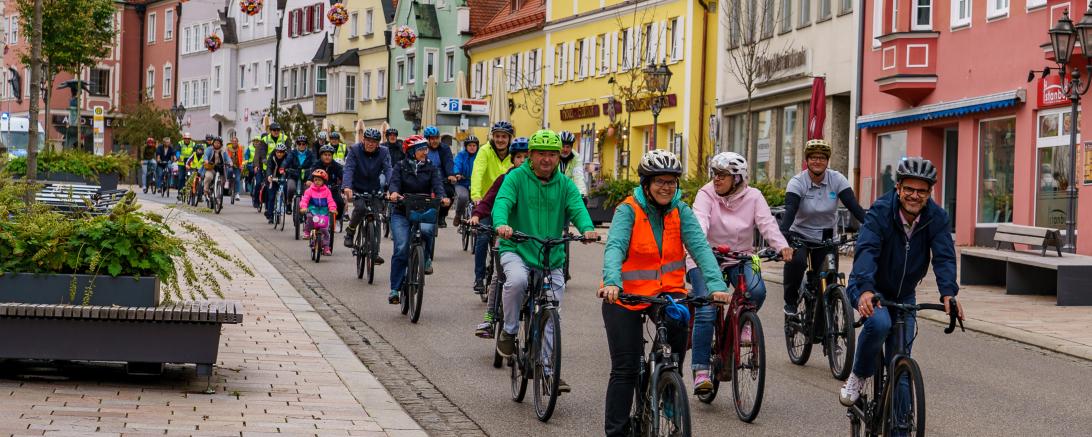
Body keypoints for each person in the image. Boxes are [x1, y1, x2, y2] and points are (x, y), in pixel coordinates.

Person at [597, 149, 729, 437]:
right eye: (660, 181)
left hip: (668, 293)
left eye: (672, 181)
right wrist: (611, 282)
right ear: (646, 184)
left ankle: (667, 384)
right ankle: (617, 432)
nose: (666, 187)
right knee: (626, 368)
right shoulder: (628, 210)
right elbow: (615, 247)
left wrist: (717, 286)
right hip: (624, 296)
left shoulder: (681, 211)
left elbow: (701, 249)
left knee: (678, 329)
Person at [839, 157, 964, 407]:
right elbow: (867, 250)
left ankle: (900, 427)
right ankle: (859, 375)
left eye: (921, 191)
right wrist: (864, 289)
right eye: (909, 189)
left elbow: (944, 257)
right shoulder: (880, 211)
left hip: (904, 294)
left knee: (900, 366)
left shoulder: (936, 218)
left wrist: (948, 293)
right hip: (869, 287)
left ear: (930, 193)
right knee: (879, 322)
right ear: (898, 188)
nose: (914, 196)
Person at [492, 129, 597, 393]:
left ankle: (548, 370)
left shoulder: (565, 184)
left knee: (553, 309)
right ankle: (509, 329)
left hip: (551, 256)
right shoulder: (516, 178)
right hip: (517, 248)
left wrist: (587, 229)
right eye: (541, 154)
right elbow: (502, 202)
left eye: (552, 154)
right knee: (515, 281)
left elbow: (577, 209)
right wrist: (502, 224)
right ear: (531, 155)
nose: (547, 159)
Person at [686, 152, 793, 393]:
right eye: (714, 174)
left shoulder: (753, 196)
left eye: (722, 175)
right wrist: (698, 245)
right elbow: (699, 221)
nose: (716, 179)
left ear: (737, 178)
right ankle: (701, 369)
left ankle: (742, 322)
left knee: (757, 290)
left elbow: (767, 224)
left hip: (743, 255)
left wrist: (782, 246)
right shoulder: (706, 194)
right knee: (706, 308)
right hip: (705, 256)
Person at [780, 139, 867, 315]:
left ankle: (826, 321)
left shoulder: (837, 179)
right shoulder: (797, 182)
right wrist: (782, 235)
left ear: (827, 161)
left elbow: (854, 207)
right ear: (807, 160)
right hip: (800, 234)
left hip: (827, 236)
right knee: (797, 263)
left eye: (821, 157)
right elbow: (790, 211)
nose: (817, 161)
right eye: (813, 157)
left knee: (829, 278)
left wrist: (872, 226)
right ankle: (790, 301)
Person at [469, 137, 530, 338]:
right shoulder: (505, 179)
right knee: (499, 274)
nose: (523, 161)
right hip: (507, 235)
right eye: (519, 157)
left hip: (532, 237)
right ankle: (490, 316)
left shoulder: (537, 181)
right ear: (513, 160)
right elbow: (489, 200)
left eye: (526, 157)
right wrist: (477, 215)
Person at [387, 136, 449, 304]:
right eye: (421, 149)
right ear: (412, 152)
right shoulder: (400, 167)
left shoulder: (431, 167)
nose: (425, 152)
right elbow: (394, 183)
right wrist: (393, 193)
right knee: (401, 247)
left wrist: (442, 197)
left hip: (423, 209)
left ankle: (426, 257)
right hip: (401, 211)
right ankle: (395, 289)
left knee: (428, 230)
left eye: (425, 149)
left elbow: (438, 185)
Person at [470, 121, 515, 292]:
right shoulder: (484, 151)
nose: (500, 140)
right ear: (492, 137)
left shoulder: (516, 153)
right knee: (482, 238)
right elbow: (478, 172)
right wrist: (476, 196)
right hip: (487, 201)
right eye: (497, 136)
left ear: (509, 138)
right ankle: (479, 278)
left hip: (508, 203)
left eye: (504, 136)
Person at [343, 128, 393, 259]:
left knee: (376, 219)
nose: (371, 144)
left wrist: (392, 189)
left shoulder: (384, 152)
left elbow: (388, 170)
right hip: (357, 187)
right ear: (363, 140)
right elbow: (349, 169)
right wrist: (347, 187)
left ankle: (375, 252)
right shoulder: (354, 150)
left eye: (374, 141)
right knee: (360, 208)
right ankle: (350, 231)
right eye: (368, 140)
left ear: (378, 143)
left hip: (374, 188)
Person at [421, 126, 456, 227]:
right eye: (432, 138)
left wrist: (450, 175)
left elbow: (449, 162)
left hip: (441, 178)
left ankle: (442, 215)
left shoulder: (444, 148)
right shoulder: (422, 149)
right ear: (427, 139)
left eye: (437, 138)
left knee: (449, 192)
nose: (435, 141)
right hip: (425, 177)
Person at [300, 169, 338, 256]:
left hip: (323, 213)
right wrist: (303, 207)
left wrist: (332, 208)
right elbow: (305, 200)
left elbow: (330, 201)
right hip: (312, 211)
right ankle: (307, 232)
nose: (317, 182)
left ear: (323, 181)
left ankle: (326, 247)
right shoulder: (309, 190)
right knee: (309, 218)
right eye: (315, 180)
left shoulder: (327, 191)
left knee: (325, 230)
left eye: (319, 180)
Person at [311, 144, 345, 222]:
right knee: (310, 203)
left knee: (340, 203)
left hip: (332, 189)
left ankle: (337, 220)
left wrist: (345, 185)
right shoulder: (317, 164)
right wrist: (309, 180)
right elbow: (311, 174)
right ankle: (311, 220)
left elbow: (343, 176)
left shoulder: (336, 165)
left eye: (329, 155)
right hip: (318, 189)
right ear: (321, 156)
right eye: (325, 155)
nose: (327, 157)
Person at [256, 124, 287, 207]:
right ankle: (267, 206)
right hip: (269, 166)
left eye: (278, 130)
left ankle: (284, 204)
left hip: (281, 166)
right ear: (270, 131)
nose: (276, 132)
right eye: (274, 130)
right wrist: (263, 159)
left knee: (284, 184)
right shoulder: (265, 139)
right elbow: (262, 151)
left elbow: (289, 151)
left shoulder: (284, 138)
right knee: (268, 188)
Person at [451, 135, 479, 227]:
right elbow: (457, 164)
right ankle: (458, 215)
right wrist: (457, 173)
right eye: (470, 145)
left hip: (476, 183)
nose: (472, 147)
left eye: (474, 145)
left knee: (479, 201)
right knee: (463, 197)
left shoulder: (480, 156)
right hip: (462, 183)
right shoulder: (461, 155)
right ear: (466, 146)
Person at [264, 144, 291, 223]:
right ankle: (271, 215)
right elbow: (268, 167)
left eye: (281, 152)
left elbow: (290, 168)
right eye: (278, 152)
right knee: (271, 196)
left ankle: (286, 205)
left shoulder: (287, 158)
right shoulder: (271, 157)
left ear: (284, 152)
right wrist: (269, 176)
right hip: (273, 177)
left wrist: (288, 176)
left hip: (283, 177)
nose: (279, 154)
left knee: (286, 190)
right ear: (275, 151)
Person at [287, 136, 317, 204]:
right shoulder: (292, 153)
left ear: (306, 144)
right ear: (297, 144)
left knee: (308, 191)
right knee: (291, 188)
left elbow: (314, 163)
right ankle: (289, 202)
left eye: (303, 144)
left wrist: (313, 169)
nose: (301, 145)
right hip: (293, 176)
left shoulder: (310, 154)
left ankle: (307, 208)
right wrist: (283, 167)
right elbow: (287, 161)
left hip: (306, 177)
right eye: (299, 144)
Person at [557, 131, 587, 198]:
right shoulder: (553, 155)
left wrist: (581, 195)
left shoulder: (576, 157)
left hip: (567, 192)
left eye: (568, 147)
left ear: (571, 147)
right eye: (563, 146)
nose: (565, 149)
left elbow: (578, 176)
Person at [226, 136, 245, 201]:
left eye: (235, 141)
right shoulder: (228, 148)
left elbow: (243, 158)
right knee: (230, 171)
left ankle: (237, 193)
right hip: (230, 165)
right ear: (231, 142)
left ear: (237, 142)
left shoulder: (240, 148)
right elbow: (227, 156)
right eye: (233, 141)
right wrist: (228, 162)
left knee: (237, 179)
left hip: (238, 166)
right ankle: (228, 181)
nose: (234, 142)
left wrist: (242, 165)